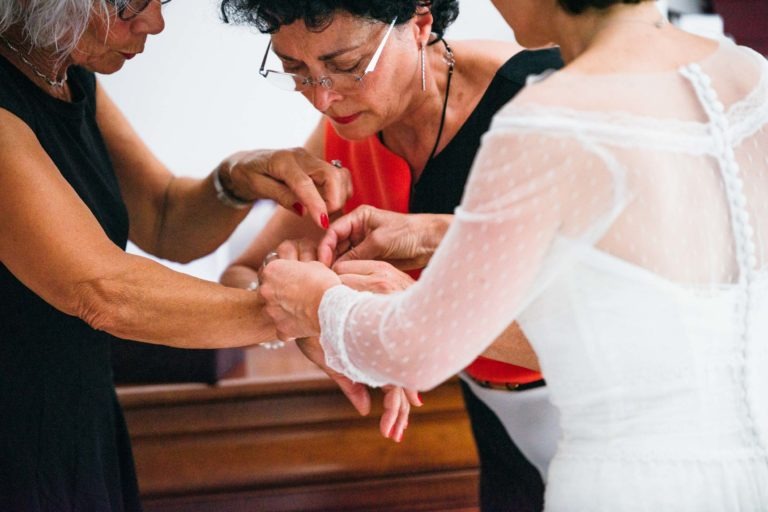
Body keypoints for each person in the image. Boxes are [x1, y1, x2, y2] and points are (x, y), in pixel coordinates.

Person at [256, 0, 768, 508]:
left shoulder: (546, 114)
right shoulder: (747, 72)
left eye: (345, 67)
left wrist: (315, 302)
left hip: (622, 478)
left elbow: (420, 348)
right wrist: (434, 234)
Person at [0, 1, 415, 510]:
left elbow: (165, 218)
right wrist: (321, 310)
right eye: (130, 4)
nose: (154, 22)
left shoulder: (62, 71)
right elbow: (101, 291)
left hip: (77, 417)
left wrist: (238, 178)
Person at [219, 1, 562, 508]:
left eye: (348, 66)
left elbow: (602, 335)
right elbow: (241, 272)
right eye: (296, 71)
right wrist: (290, 294)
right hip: (492, 421)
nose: (324, 98)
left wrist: (403, 312)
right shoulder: (350, 126)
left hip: (603, 414)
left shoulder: (538, 99)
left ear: (420, 23)